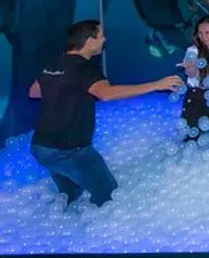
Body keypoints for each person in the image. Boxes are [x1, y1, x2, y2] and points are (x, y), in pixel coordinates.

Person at [29, 20, 182, 206]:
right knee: (109, 197)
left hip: (41, 146)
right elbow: (106, 94)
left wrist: (66, 93)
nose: (104, 39)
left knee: (70, 198)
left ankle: (66, 229)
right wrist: (155, 85)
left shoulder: (55, 63)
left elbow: (34, 92)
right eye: (101, 36)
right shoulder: (85, 68)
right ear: (89, 41)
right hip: (69, 149)